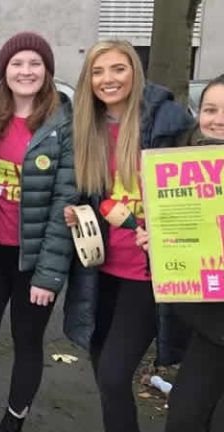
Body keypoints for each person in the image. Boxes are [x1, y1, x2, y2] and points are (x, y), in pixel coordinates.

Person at [0, 32, 78, 432]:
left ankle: (15, 417)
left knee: (27, 342)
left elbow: (66, 199)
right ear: (4, 70)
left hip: (35, 256)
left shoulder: (63, 122)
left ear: (48, 71)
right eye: (17, 63)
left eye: (35, 63)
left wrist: (48, 274)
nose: (26, 71)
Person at [64, 40, 192, 432]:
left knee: (114, 374)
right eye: (98, 71)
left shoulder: (168, 122)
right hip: (100, 269)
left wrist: (169, 230)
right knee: (104, 371)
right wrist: (76, 213)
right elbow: (91, 197)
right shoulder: (87, 127)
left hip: (147, 273)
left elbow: (195, 190)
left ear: (135, 71)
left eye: (118, 68)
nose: (108, 79)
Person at [164, 74, 224, 432]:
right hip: (211, 329)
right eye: (210, 109)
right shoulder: (183, 169)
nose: (217, 119)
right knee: (184, 420)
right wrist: (158, 241)